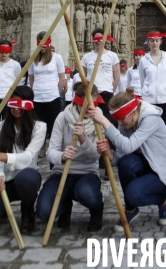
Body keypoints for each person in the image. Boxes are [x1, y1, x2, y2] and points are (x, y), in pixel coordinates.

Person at [88, 87, 166, 232]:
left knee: (132, 194)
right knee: (126, 163)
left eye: (121, 119)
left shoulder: (150, 119)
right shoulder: (126, 123)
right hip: (146, 167)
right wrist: (110, 154)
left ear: (133, 112)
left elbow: (129, 146)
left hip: (164, 173)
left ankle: (163, 200)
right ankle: (131, 210)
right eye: (116, 120)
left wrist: (105, 123)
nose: (119, 124)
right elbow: (120, 157)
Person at [0, 86, 46, 240]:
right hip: (3, 181)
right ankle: (2, 208)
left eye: (21, 104)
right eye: (13, 103)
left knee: (27, 178)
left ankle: (27, 210)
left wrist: (1, 156)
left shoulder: (39, 127)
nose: (16, 108)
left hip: (25, 178)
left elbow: (28, 157)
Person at [36, 82, 104, 231]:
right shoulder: (63, 118)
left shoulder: (99, 120)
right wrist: (62, 156)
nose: (88, 109)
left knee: (87, 194)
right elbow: (50, 152)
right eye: (84, 105)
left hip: (87, 172)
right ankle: (65, 203)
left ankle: (97, 210)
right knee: (43, 212)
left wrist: (83, 140)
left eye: (92, 105)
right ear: (76, 102)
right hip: (62, 172)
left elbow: (95, 157)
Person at [75, 28, 120, 121]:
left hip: (106, 93)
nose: (98, 42)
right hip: (91, 94)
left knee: (106, 121)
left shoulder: (112, 56)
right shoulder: (87, 57)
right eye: (96, 39)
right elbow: (83, 76)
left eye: (100, 39)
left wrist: (110, 89)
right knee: (91, 120)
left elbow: (116, 78)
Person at [28, 32, 65, 141]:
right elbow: (31, 78)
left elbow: (62, 78)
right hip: (37, 97)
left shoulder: (57, 57)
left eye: (44, 45)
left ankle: (52, 146)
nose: (42, 48)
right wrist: (34, 90)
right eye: (40, 45)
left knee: (53, 124)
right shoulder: (33, 59)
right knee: (38, 125)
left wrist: (56, 92)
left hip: (52, 96)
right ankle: (41, 146)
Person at [138, 30, 166, 134]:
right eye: (152, 41)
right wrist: (147, 91)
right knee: (150, 130)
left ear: (160, 42)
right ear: (148, 42)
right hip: (149, 101)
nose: (154, 43)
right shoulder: (144, 60)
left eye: (156, 40)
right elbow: (142, 80)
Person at [0, 40, 21, 140]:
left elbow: (18, 82)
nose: (4, 54)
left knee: (8, 123)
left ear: (10, 51)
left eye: (6, 51)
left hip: (8, 99)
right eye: (2, 51)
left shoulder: (15, 65)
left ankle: (7, 145)